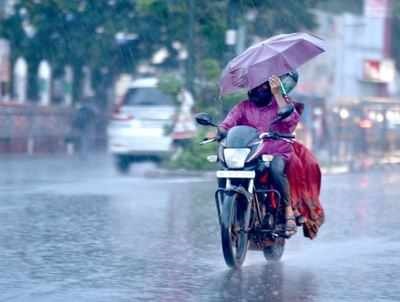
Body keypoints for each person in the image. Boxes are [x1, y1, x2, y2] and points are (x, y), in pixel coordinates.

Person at [217, 72, 302, 237]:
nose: (258, 89)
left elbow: (291, 120)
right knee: (225, 168)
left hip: (276, 149)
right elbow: (227, 123)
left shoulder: (282, 102)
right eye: (254, 85)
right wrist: (219, 131)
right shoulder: (243, 106)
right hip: (251, 152)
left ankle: (287, 210)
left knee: (276, 171)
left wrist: (278, 94)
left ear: (270, 86)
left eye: (263, 85)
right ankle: (229, 215)